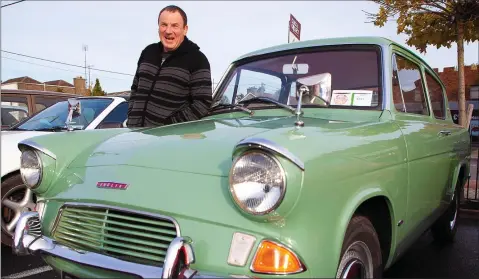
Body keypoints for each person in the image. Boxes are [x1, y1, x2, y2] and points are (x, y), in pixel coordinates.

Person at [126, 5, 213, 127]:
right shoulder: (148, 52)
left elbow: (202, 103)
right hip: (134, 135)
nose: (168, 31)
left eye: (174, 26)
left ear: (185, 29)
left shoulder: (198, 59)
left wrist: (169, 127)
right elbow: (135, 88)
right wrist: (131, 115)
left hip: (167, 141)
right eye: (164, 25)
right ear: (158, 27)